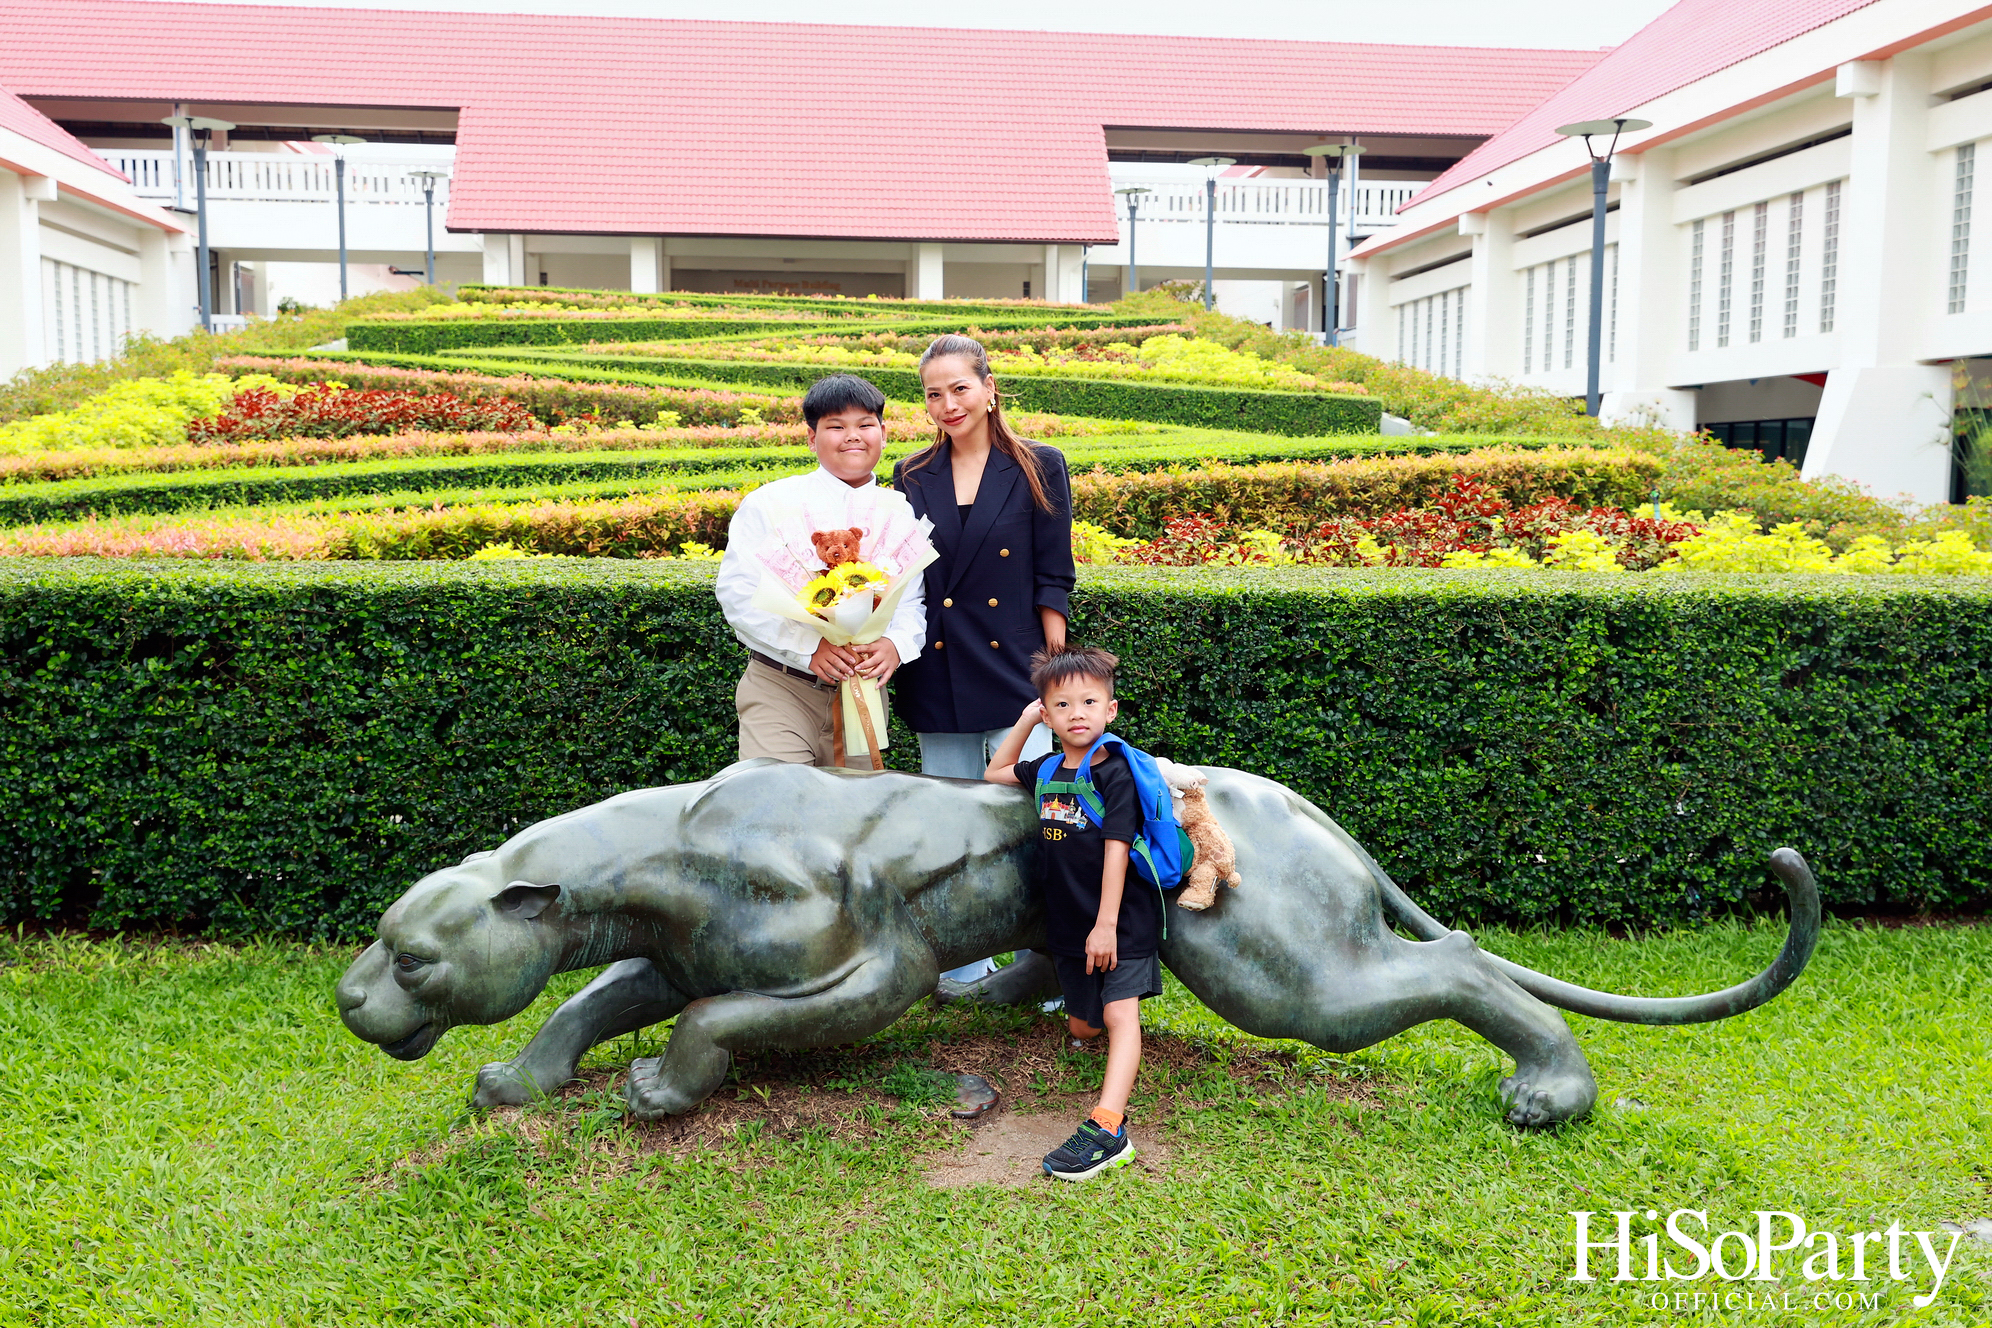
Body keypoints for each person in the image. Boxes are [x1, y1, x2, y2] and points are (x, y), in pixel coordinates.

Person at [892, 333, 1072, 982]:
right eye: (933, 394)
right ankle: (963, 969)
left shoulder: (1039, 465)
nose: (947, 404)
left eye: (959, 388)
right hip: (936, 673)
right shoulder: (911, 474)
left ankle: (1046, 967)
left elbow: (1054, 576)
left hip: (1018, 669)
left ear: (990, 390)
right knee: (950, 829)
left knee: (1037, 822)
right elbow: (904, 577)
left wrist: (1054, 677)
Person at [985, 645, 1158, 1182]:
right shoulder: (1046, 769)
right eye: (1061, 705)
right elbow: (995, 772)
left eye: (1089, 701)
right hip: (1067, 921)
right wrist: (1023, 720)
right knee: (1083, 1025)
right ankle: (1102, 1036)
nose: (1076, 712)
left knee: (1118, 1015)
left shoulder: (1116, 773)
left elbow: (1117, 849)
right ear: (1047, 714)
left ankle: (1108, 1126)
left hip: (1120, 916)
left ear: (1110, 711)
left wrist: (1106, 925)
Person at [714, 374, 923, 767]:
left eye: (865, 424)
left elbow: (912, 599)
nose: (852, 436)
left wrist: (896, 644)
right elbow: (738, 594)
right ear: (811, 438)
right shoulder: (770, 503)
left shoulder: (899, 511)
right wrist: (809, 649)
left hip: (862, 691)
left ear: (883, 431)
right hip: (783, 686)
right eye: (835, 427)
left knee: (855, 816)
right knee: (778, 809)